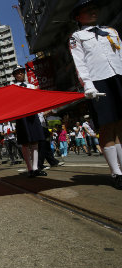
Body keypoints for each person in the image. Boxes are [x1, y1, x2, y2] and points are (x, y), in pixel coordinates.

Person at [70, 0, 122, 189]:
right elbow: (80, 63)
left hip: (117, 77)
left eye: (94, 8)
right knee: (107, 127)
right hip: (98, 82)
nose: (93, 12)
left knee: (120, 125)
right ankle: (116, 173)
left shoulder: (111, 31)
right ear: (78, 17)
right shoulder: (77, 37)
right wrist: (88, 85)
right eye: (87, 10)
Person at [11, 65, 47, 177]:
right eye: (17, 73)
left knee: (35, 141)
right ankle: (29, 168)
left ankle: (36, 168)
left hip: (32, 115)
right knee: (25, 143)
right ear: (14, 76)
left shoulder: (32, 86)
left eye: (21, 72)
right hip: (21, 117)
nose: (20, 74)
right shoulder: (12, 88)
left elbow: (37, 100)